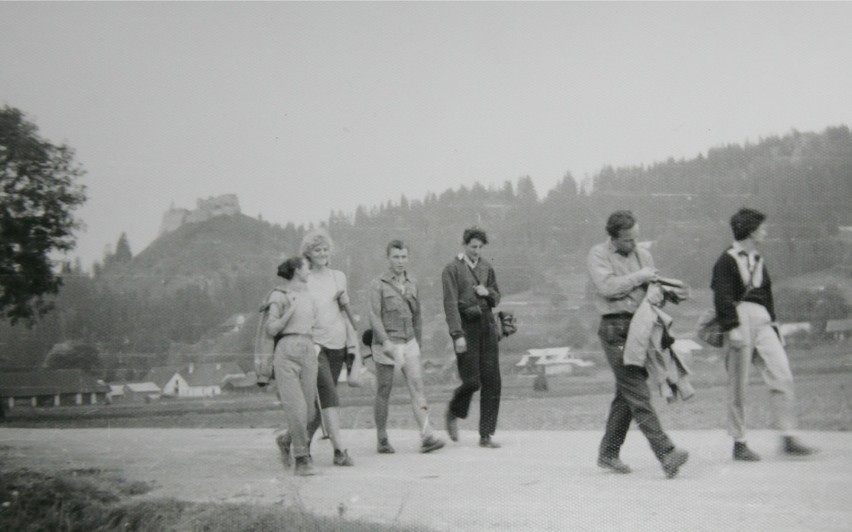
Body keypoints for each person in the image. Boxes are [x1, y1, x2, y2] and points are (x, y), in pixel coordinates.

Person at [587, 210, 689, 478]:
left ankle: (608, 454)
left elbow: (649, 289)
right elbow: (607, 287)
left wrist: (665, 291)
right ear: (613, 238)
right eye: (628, 241)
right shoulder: (598, 254)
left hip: (641, 327)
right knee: (637, 391)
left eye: (636, 238)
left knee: (627, 394)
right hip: (614, 329)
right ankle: (666, 453)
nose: (634, 245)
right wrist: (640, 278)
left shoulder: (644, 255)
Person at [711, 207, 815, 461]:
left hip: (763, 320)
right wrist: (732, 328)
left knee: (782, 374)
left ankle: (787, 435)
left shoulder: (758, 259)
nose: (765, 232)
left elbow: (767, 297)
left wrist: (775, 329)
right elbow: (722, 297)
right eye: (762, 228)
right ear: (750, 231)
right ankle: (740, 442)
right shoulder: (727, 260)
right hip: (740, 320)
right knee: (739, 384)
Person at [277, 228, 360, 466]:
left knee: (317, 404)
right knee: (330, 397)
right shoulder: (304, 279)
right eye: (317, 250)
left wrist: (351, 345)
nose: (323, 253)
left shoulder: (339, 277)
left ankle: (287, 439)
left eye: (325, 249)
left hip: (338, 345)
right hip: (315, 347)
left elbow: (345, 313)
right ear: (308, 254)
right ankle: (340, 451)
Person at [369, 240, 446, 454]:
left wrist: (417, 342)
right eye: (396, 257)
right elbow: (374, 316)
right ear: (388, 259)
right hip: (387, 343)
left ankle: (427, 435)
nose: (400, 261)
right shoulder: (378, 284)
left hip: (409, 341)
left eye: (403, 257)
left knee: (417, 387)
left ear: (408, 258)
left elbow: (417, 315)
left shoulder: (413, 282)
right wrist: (384, 341)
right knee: (384, 389)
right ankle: (382, 438)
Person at [442, 227, 502, 448]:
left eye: (479, 247)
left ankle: (486, 435)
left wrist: (489, 293)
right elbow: (450, 305)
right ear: (464, 244)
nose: (476, 251)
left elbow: (497, 295)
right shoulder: (452, 269)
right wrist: (457, 335)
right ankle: (453, 411)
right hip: (466, 326)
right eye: (472, 246)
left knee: (492, 381)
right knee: (472, 381)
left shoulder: (487, 267)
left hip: (487, 325)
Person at [267, 256, 318, 476]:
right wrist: (289, 312)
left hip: (308, 350)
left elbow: (314, 323)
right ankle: (301, 459)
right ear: (297, 270)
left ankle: (285, 439)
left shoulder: (311, 296)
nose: (310, 271)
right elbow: (271, 329)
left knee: (309, 413)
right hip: (286, 351)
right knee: (296, 408)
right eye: (307, 268)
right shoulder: (280, 295)